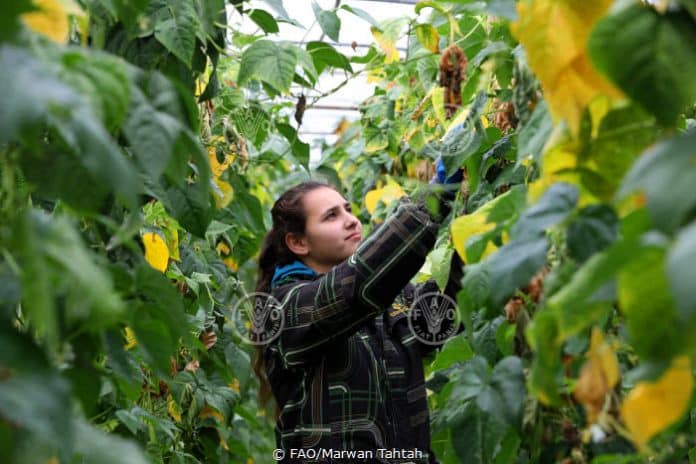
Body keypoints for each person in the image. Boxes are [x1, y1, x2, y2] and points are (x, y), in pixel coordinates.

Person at [253, 161, 464, 463]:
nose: (351, 220)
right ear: (298, 242)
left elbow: (439, 320)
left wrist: (476, 230)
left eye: (348, 209)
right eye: (331, 216)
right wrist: (436, 196)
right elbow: (355, 286)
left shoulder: (390, 301)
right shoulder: (287, 309)